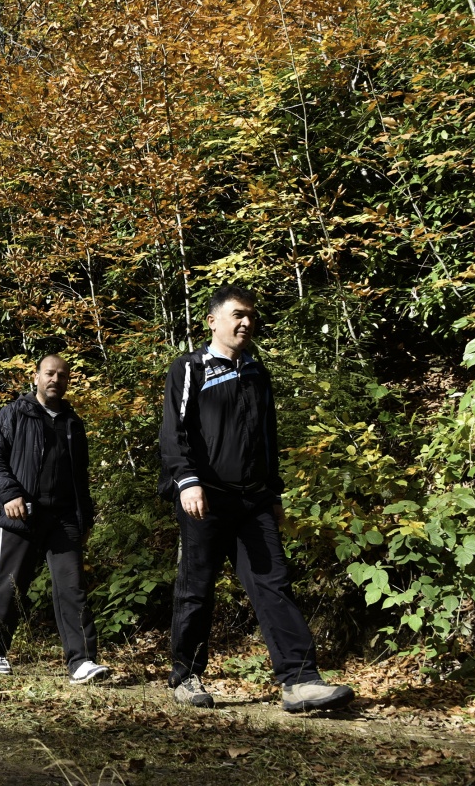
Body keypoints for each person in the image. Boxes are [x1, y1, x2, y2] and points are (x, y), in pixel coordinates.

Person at [159, 284, 354, 713]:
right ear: (213, 320)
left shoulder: (256, 372)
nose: (246, 322)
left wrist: (273, 492)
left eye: (250, 315)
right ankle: (186, 675)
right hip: (204, 498)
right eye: (237, 314)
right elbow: (173, 431)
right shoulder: (190, 367)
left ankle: (299, 681)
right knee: (197, 587)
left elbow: (267, 437)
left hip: (253, 500)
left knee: (274, 584)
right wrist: (187, 480)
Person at [0, 355, 110, 685]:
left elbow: (80, 476)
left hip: (64, 517)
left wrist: (86, 518)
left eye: (62, 375)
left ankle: (81, 661)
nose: (55, 379)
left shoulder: (72, 421)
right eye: (49, 373)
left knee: (73, 587)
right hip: (22, 512)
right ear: (36, 376)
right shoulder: (14, 412)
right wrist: (10, 494)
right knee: (11, 584)